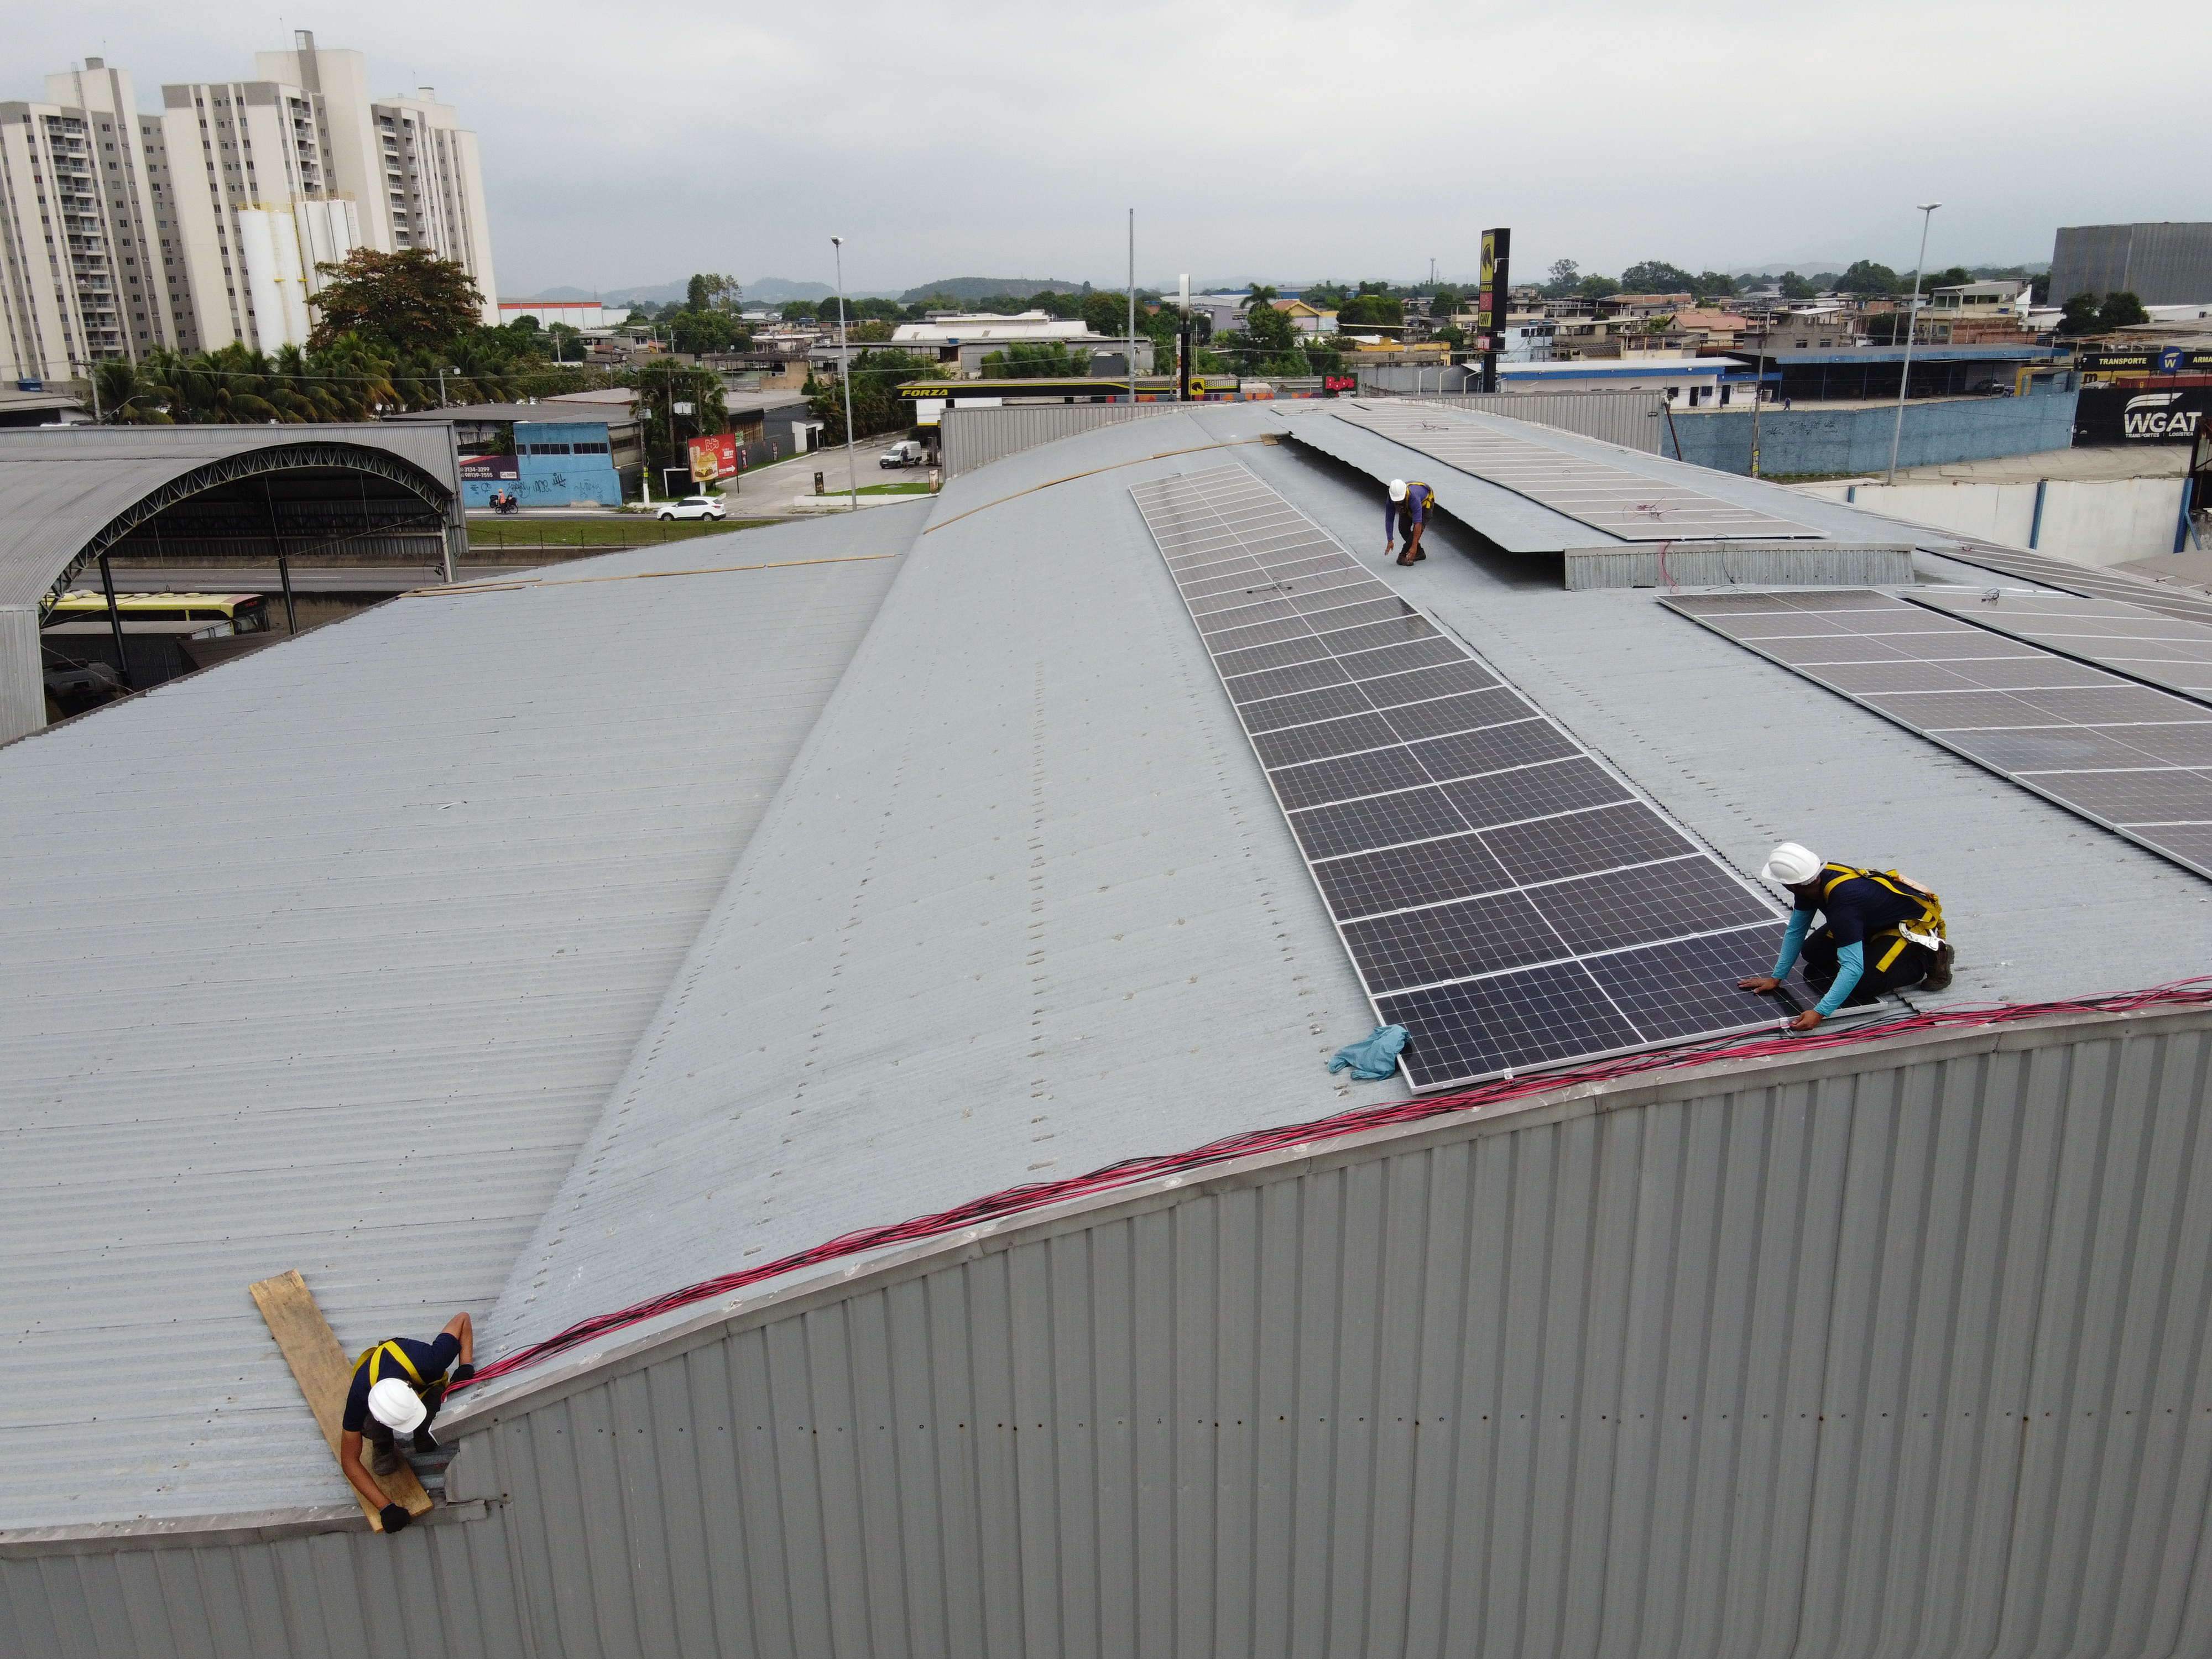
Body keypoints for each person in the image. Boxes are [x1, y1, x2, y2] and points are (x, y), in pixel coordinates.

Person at [1738, 842, 1953, 1030]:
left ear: (1789, 884)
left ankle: (1928, 957)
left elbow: (1852, 967)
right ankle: (1876, 951)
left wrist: (1821, 1012)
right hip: (1869, 919)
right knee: (1813, 952)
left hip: (1907, 926)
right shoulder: (1810, 883)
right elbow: (1796, 930)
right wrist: (1776, 978)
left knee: (1864, 985)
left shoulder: (1844, 906)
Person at [337, 1312, 473, 1533]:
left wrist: (465, 1365)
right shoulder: (359, 1395)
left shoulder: (431, 1361)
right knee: (367, 1423)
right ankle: (384, 1446)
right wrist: (386, 1508)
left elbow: (463, 1319)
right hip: (375, 1395)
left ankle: (423, 1431)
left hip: (420, 1378)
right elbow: (349, 1460)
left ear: (410, 1386)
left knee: (436, 1393)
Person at [1384, 478, 1437, 566]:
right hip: (1408, 503)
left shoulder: (1414, 497)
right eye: (1396, 501)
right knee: (1403, 528)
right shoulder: (1392, 497)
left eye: (1400, 500)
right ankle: (1420, 553)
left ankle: (1403, 555)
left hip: (1425, 504)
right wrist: (1390, 540)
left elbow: (1418, 524)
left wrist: (1413, 547)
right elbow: (1389, 518)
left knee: (1417, 531)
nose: (1398, 502)